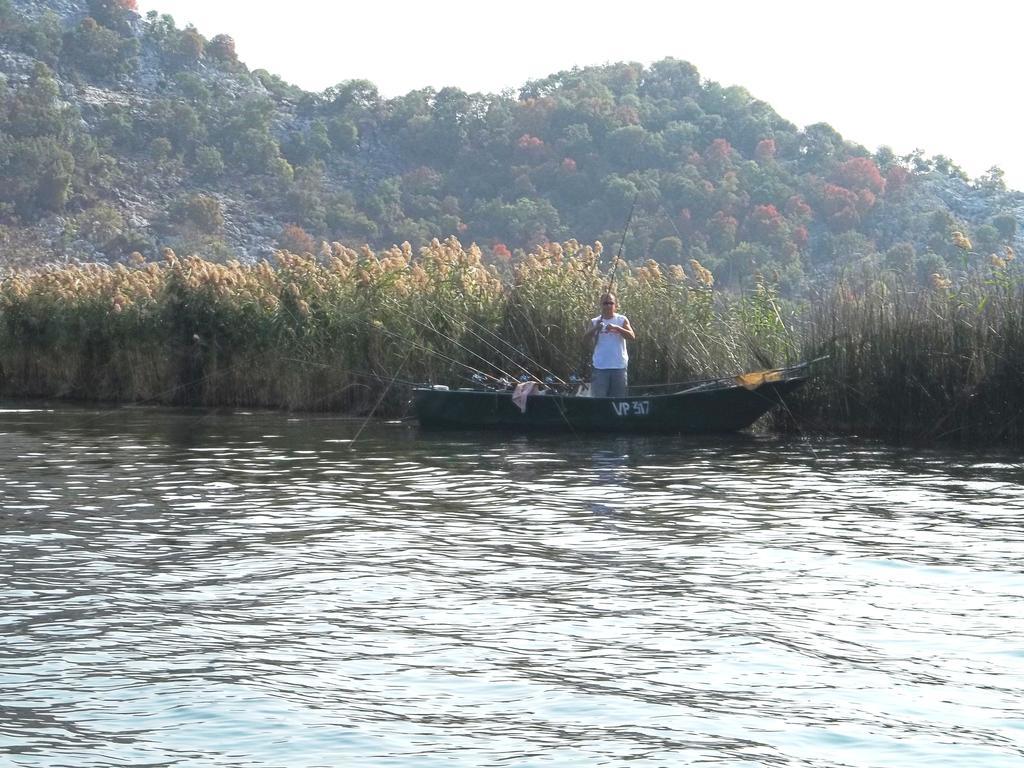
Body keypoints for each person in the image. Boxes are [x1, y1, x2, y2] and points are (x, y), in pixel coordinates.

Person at [583, 292, 635, 397]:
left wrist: (617, 328)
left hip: (619, 367)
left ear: (615, 305)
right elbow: (584, 340)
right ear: (600, 305)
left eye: (611, 303)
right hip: (600, 367)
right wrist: (595, 328)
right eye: (605, 303)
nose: (608, 306)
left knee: (619, 400)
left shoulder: (621, 320)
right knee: (599, 400)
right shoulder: (594, 321)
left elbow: (632, 336)